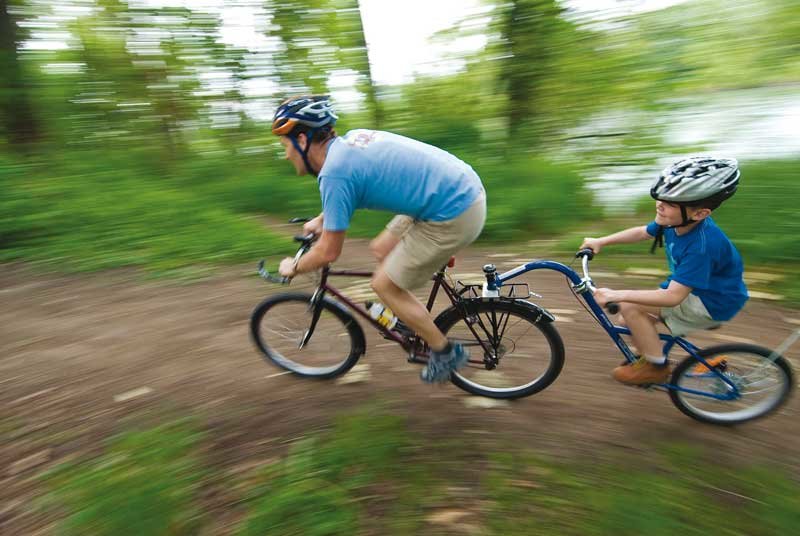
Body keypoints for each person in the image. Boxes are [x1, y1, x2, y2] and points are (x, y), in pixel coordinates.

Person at [273, 95, 486, 384]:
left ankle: (445, 352)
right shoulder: (349, 145)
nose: (286, 155)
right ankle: (408, 316)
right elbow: (358, 184)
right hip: (456, 191)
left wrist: (293, 267)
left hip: (454, 211)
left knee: (382, 284)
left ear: (301, 139)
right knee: (380, 248)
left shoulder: (334, 174)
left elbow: (328, 253)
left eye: (286, 146)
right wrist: (323, 220)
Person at [581, 156, 748, 385]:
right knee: (626, 316)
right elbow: (643, 232)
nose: (660, 204)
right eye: (661, 197)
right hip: (701, 291)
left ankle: (655, 367)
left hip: (710, 302)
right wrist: (602, 241)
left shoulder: (702, 246)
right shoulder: (675, 221)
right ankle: (656, 356)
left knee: (629, 306)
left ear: (700, 213)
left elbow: (673, 297)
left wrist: (616, 294)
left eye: (670, 203)